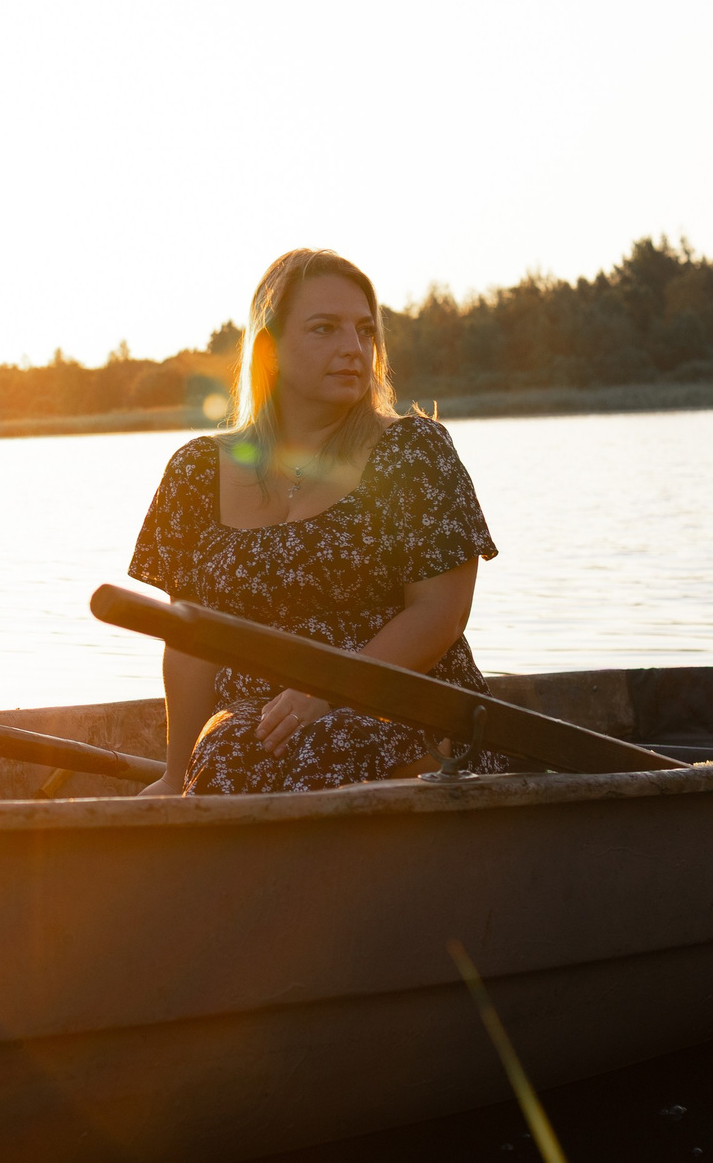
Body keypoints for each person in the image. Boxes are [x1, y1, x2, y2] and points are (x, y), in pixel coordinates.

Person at [128, 248, 504, 794]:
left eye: (364, 331)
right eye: (324, 329)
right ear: (270, 349)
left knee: (317, 750)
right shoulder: (196, 471)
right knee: (229, 758)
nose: (353, 350)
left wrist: (326, 691)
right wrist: (173, 773)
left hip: (401, 709)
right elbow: (190, 642)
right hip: (256, 726)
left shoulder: (413, 451)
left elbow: (440, 615)